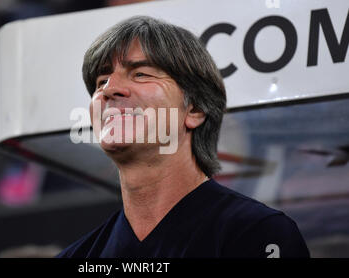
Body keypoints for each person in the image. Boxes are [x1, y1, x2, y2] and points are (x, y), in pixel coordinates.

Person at [57, 16, 309, 258]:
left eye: (141, 74)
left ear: (195, 109)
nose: (109, 89)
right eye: (101, 81)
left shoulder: (258, 234)